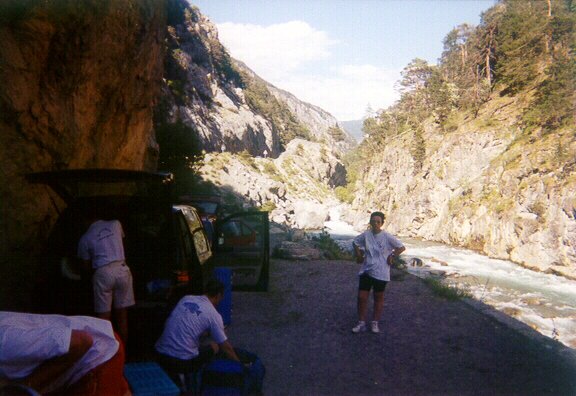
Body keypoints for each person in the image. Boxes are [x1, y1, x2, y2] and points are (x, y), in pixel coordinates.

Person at [0, 311, 129, 395]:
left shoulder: (6, 341)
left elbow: (81, 341)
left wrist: (26, 387)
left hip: (97, 356)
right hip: (99, 341)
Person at [155, 279, 240, 376]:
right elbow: (226, 347)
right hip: (181, 362)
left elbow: (185, 323)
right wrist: (239, 364)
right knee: (215, 346)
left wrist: (206, 333)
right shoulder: (213, 314)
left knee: (197, 341)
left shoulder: (186, 298)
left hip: (160, 353)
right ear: (219, 296)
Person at [77, 206, 134, 343]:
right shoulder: (116, 224)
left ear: (85, 220)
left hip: (103, 272)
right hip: (122, 269)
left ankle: (106, 353)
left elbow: (85, 267)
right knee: (122, 315)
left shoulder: (85, 238)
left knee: (104, 317)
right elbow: (122, 241)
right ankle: (123, 352)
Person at [351, 211, 405, 334]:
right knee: (361, 297)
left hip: (381, 271)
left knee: (378, 297)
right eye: (373, 221)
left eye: (378, 222)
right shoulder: (366, 235)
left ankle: (375, 323)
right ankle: (361, 323)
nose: (375, 224)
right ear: (370, 222)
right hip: (366, 269)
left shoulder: (387, 236)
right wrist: (359, 255)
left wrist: (392, 255)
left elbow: (401, 247)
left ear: (381, 223)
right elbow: (355, 242)